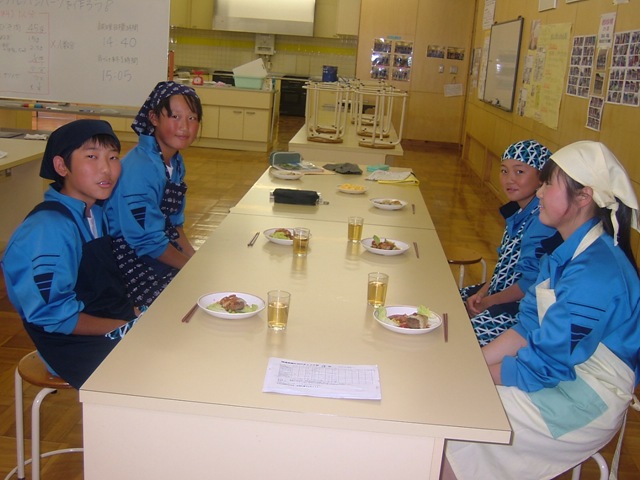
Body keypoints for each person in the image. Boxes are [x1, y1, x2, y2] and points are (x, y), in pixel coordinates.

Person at [444, 141, 640, 480]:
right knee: (453, 397)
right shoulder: (565, 253)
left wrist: (476, 377)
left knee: (459, 421)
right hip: (557, 375)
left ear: (584, 196)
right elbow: (526, 328)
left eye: (548, 184)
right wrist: (471, 366)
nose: (539, 193)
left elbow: (544, 365)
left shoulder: (597, 271)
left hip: (581, 400)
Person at [1, 120, 138, 389]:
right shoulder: (48, 229)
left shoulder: (94, 213)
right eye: (91, 157)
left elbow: (100, 288)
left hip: (104, 322)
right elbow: (55, 317)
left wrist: (133, 316)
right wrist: (124, 325)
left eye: (113, 157)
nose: (106, 168)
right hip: (71, 346)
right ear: (61, 166)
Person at [105, 81, 203, 308]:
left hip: (157, 248)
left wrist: (195, 259)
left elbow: (174, 225)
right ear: (154, 118)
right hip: (129, 260)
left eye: (192, 118)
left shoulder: (174, 162)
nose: (184, 127)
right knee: (185, 303)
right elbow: (147, 242)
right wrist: (190, 268)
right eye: (175, 116)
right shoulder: (140, 167)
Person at [461, 139, 559, 345]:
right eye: (504, 171)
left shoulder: (541, 220)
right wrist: (482, 293)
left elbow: (530, 283)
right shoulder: (518, 211)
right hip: (500, 292)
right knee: (448, 302)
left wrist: (488, 301)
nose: (509, 179)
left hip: (521, 308)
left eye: (519, 172)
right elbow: (503, 267)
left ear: (541, 178)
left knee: (462, 338)